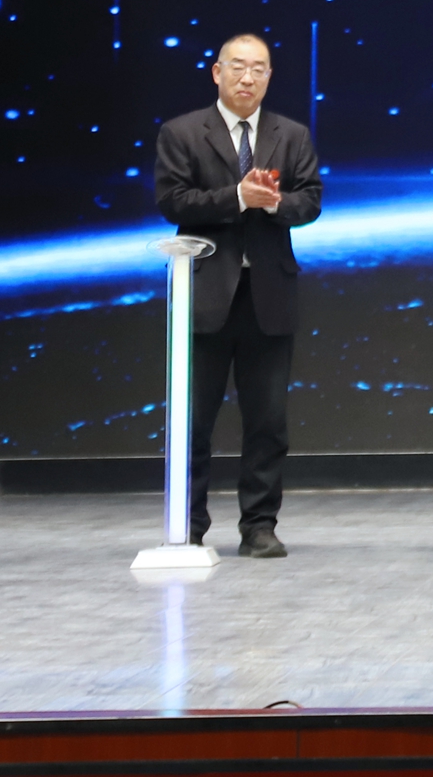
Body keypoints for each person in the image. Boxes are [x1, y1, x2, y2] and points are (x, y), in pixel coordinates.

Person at [152, 33, 323, 557]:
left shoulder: (292, 134)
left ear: (269, 76)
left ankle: (259, 526)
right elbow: (173, 200)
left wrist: (273, 204)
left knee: (268, 421)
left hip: (268, 294)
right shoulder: (183, 132)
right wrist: (237, 198)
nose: (248, 77)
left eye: (259, 69)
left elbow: (311, 201)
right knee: (193, 419)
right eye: (238, 67)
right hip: (204, 291)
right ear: (217, 72)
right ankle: (188, 526)